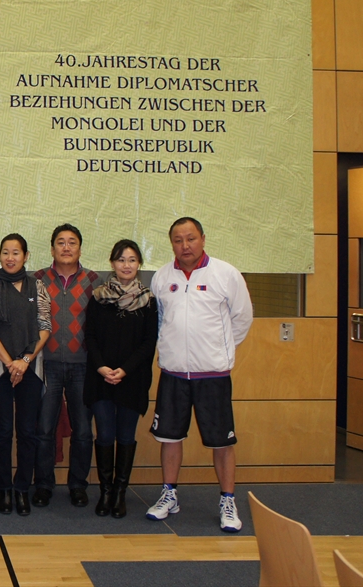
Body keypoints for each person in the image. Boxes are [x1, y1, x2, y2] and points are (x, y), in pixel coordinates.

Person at [146, 217, 253, 533]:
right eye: (178, 240)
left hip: (213, 376)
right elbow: (160, 321)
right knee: (169, 437)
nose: (185, 245)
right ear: (172, 243)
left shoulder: (225, 274)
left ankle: (228, 501)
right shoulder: (162, 277)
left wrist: (217, 351)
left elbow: (242, 318)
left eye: (191, 238)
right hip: (174, 373)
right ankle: (169, 495)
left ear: (203, 239)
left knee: (222, 441)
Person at [83, 239, 158, 518]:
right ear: (112, 263)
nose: (126, 265)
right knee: (104, 435)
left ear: (139, 264)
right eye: (121, 260)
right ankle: (105, 492)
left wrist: (124, 370)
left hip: (132, 378)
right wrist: (102, 368)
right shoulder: (98, 297)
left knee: (126, 436)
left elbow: (149, 342)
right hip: (100, 378)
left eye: (132, 260)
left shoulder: (148, 300)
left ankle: (120, 493)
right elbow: (90, 336)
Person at [0, 234, 51, 516]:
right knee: (4, 431)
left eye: (16, 252)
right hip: (0, 368)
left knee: (27, 432)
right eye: (5, 252)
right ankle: (4, 489)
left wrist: (25, 361)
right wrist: (11, 363)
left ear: (26, 256)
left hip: (30, 367)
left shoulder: (37, 285)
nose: (10, 257)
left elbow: (45, 326)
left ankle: (22, 488)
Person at [32, 224, 100, 508]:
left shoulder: (94, 281)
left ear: (80, 249)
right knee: (44, 429)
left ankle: (78, 485)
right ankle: (43, 484)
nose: (66, 247)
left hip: (82, 366)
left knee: (83, 431)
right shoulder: (37, 279)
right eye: (61, 242)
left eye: (72, 242)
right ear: (52, 249)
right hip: (46, 364)